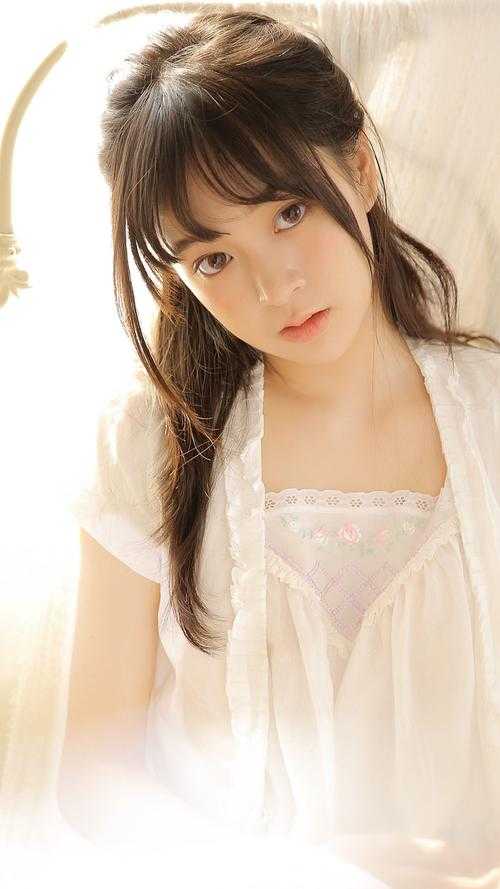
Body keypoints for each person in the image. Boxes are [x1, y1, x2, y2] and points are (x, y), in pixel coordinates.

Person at [59, 8, 500, 887]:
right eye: (213, 259)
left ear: (360, 168)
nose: (275, 285)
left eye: (288, 211)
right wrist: (301, 869)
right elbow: (95, 778)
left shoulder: (489, 411)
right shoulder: (151, 442)